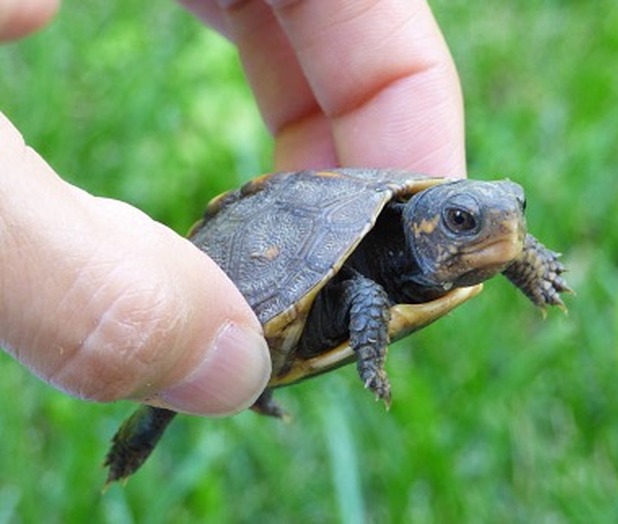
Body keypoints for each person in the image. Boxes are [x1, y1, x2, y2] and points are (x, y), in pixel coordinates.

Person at [0, 0, 465, 416]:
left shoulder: (478, 241)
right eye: (461, 222)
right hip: (266, 281)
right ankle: (143, 431)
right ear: (423, 224)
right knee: (362, 294)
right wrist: (373, 365)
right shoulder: (365, 289)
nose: (503, 230)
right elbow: (363, 294)